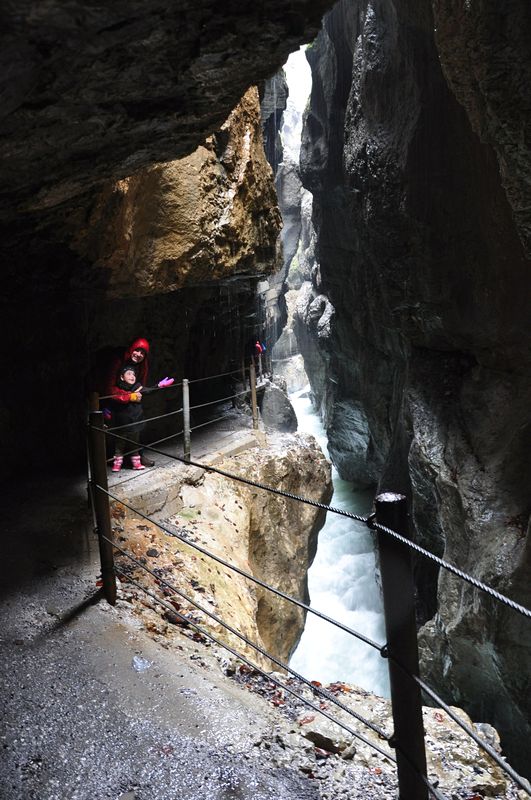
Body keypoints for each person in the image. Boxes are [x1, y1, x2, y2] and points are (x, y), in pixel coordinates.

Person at [95, 337, 173, 466]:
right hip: (111, 399)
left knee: (136, 425)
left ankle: (138, 456)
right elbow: (108, 388)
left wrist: (158, 386)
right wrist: (129, 397)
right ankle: (109, 459)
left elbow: (140, 386)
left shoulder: (142, 365)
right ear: (131, 349)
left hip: (128, 399)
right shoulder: (117, 361)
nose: (139, 355)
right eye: (137, 350)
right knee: (116, 429)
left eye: (143, 353)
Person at [110, 366, 145, 472]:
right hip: (122, 422)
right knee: (120, 444)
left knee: (135, 443)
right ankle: (117, 464)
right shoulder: (117, 390)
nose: (132, 376)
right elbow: (113, 401)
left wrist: (159, 386)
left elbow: (148, 390)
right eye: (129, 374)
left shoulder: (137, 387)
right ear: (121, 377)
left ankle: (136, 463)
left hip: (135, 421)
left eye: (133, 374)